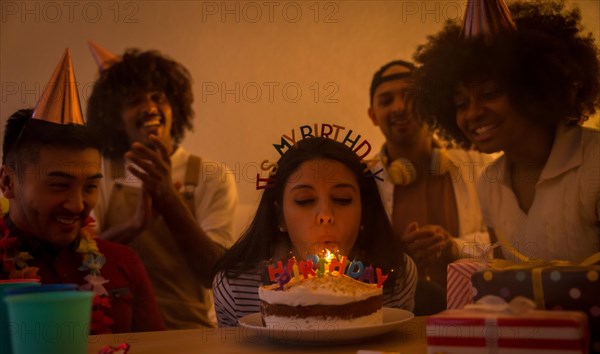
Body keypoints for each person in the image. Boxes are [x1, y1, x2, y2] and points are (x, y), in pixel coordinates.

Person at [413, 0, 600, 261]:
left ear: (534, 89)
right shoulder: (490, 184)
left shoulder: (594, 163)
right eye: (460, 103)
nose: (472, 113)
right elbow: (504, 278)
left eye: (489, 94)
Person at [0, 50, 165, 334]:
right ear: (7, 183)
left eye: (90, 186)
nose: (77, 205)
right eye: (59, 185)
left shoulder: (123, 263)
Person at [87, 49, 238, 329]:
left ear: (176, 108)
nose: (150, 108)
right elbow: (81, 260)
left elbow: (214, 273)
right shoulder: (100, 172)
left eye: (158, 97)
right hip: (114, 331)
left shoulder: (212, 176)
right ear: (115, 118)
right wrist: (134, 226)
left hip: (189, 332)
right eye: (134, 101)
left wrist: (168, 198)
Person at [212, 137, 417, 327]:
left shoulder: (396, 274)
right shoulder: (236, 289)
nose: (325, 215)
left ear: (364, 211)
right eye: (305, 200)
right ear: (280, 216)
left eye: (342, 198)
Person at [368, 60, 493, 294]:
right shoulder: (362, 179)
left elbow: (507, 243)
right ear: (372, 115)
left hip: (475, 309)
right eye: (386, 101)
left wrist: (455, 247)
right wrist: (396, 253)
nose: (399, 107)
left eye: (410, 96)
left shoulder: (480, 165)